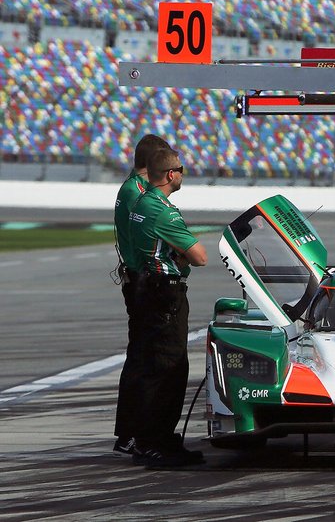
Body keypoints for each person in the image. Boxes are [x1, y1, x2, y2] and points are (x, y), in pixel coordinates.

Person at [128, 147, 208, 467]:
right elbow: (200, 256)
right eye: (182, 169)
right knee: (169, 369)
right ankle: (154, 442)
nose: (183, 174)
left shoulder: (139, 202)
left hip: (147, 289)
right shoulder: (164, 210)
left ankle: (157, 439)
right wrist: (184, 251)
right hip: (165, 295)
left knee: (154, 367)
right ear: (172, 174)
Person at [112, 134, 170, 456]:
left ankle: (130, 432)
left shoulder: (129, 188)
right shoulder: (139, 194)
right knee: (144, 358)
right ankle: (132, 432)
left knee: (139, 356)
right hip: (142, 281)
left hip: (135, 278)